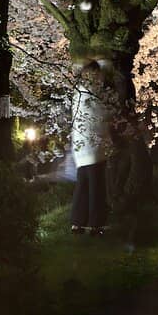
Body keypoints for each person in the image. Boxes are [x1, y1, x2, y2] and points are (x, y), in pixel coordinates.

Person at [70, 61, 111, 236]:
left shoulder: (78, 93)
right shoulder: (94, 93)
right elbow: (102, 117)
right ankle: (96, 225)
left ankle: (77, 223)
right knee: (96, 188)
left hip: (81, 149)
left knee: (83, 187)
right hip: (94, 147)